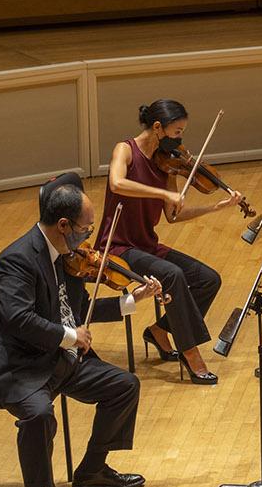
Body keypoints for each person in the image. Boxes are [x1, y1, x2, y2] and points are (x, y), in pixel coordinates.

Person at [0, 179, 161, 487]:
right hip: (20, 365)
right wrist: (71, 336)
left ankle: (92, 471)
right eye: (85, 228)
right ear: (63, 226)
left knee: (124, 386)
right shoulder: (16, 260)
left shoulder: (68, 258)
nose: (88, 236)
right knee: (40, 415)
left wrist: (130, 301)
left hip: (57, 358)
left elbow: (77, 310)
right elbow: (19, 320)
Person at [101, 99, 238, 386]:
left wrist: (216, 208)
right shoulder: (125, 150)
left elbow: (173, 216)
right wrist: (162, 194)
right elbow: (116, 183)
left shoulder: (166, 164)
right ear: (157, 127)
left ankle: (160, 331)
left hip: (147, 245)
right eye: (177, 132)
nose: (180, 139)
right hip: (118, 247)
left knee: (208, 279)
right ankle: (192, 354)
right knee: (172, 274)